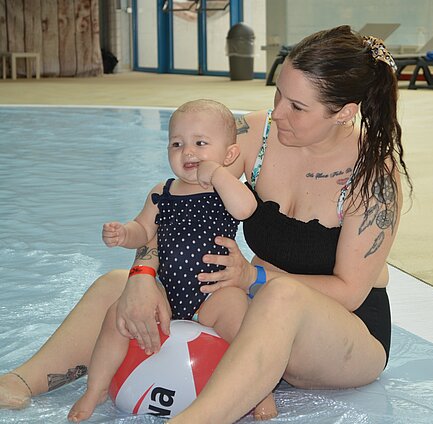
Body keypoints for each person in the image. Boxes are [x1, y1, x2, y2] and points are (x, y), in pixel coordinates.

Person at [0, 25, 412, 424]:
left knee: (281, 295)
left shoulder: (373, 175)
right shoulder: (258, 136)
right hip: (252, 308)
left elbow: (350, 291)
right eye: (279, 94)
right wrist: (144, 273)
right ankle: (24, 380)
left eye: (297, 107)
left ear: (345, 112)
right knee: (119, 283)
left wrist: (253, 275)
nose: (279, 112)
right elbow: (176, 203)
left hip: (346, 335)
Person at [66, 99, 277, 421]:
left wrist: (218, 175)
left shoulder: (227, 190)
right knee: (115, 318)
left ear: (230, 154)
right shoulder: (161, 191)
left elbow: (245, 209)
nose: (187, 152)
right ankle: (94, 389)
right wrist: (125, 233)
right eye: (176, 144)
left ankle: (262, 391)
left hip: (215, 291)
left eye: (200, 143)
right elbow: (143, 229)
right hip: (166, 290)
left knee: (244, 327)